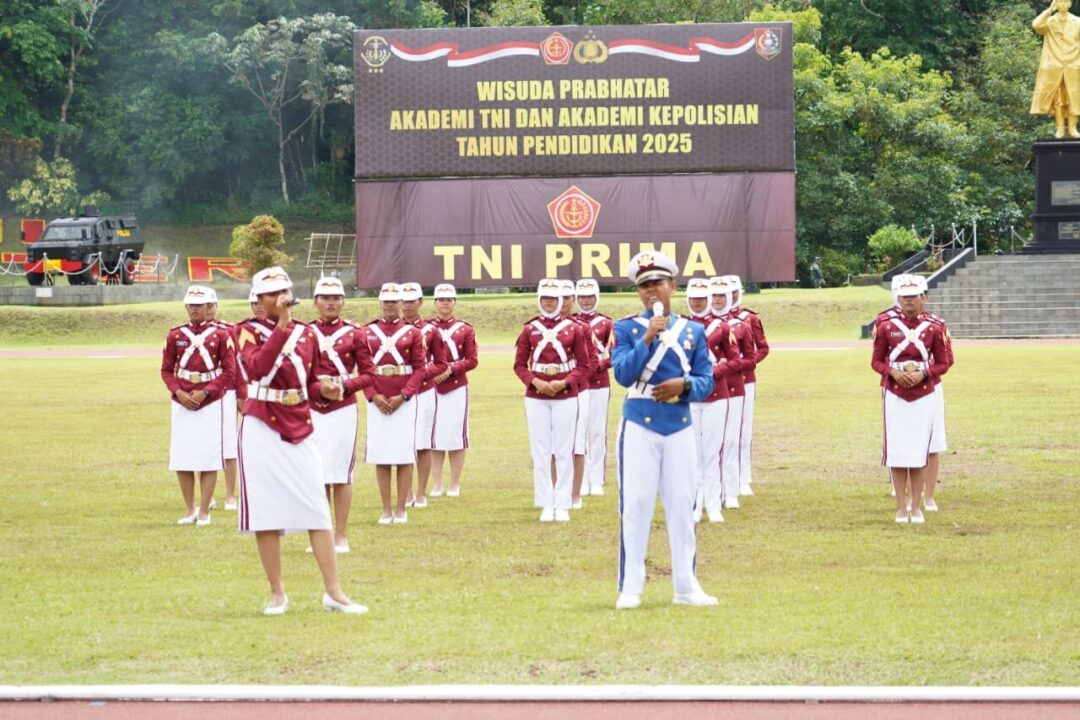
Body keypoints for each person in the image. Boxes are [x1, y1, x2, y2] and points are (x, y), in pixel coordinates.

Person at [237, 266, 367, 615]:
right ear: (259, 300)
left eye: (283, 292)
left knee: (316, 507)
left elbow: (309, 381)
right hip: (262, 424)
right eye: (270, 294)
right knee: (265, 513)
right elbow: (259, 369)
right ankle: (277, 593)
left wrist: (324, 389)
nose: (278, 299)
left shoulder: (307, 335)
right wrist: (280, 328)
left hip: (301, 423)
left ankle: (334, 592)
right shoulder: (246, 332)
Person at [611, 252, 718, 609]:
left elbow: (706, 380)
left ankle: (685, 586)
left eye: (657, 283)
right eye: (644, 286)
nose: (651, 291)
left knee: (682, 505)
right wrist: (646, 340)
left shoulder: (693, 331)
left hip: (679, 425)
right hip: (639, 422)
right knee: (636, 504)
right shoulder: (626, 329)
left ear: (673, 285)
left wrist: (683, 387)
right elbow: (623, 375)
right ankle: (631, 587)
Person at [871, 274, 950, 524]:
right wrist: (892, 372)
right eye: (904, 297)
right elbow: (876, 360)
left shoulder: (935, 326)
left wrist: (924, 374)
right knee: (897, 450)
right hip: (894, 391)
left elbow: (945, 361)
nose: (908, 301)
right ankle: (900, 507)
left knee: (919, 450)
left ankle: (918, 505)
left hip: (925, 391)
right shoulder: (885, 324)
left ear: (923, 298)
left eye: (913, 296)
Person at [308, 277, 376, 553]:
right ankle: (320, 534)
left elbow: (369, 374)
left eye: (336, 298)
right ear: (315, 302)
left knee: (340, 473)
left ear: (343, 302)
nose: (331, 303)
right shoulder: (304, 333)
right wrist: (318, 389)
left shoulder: (355, 333)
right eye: (325, 298)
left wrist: (344, 387)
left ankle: (341, 535)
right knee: (315, 472)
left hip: (343, 408)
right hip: (311, 406)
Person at [513, 278, 590, 522]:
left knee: (564, 449)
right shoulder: (529, 329)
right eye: (545, 299)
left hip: (565, 394)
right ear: (539, 300)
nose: (549, 303)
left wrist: (565, 382)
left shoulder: (575, 328)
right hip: (536, 395)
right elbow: (519, 365)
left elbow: (585, 365)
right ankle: (546, 502)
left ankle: (563, 502)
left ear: (560, 301)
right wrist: (534, 382)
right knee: (541, 450)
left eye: (553, 299)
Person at [161, 285, 235, 527]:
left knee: (208, 457)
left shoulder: (222, 335)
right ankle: (189, 508)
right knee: (182, 457)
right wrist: (178, 392)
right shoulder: (175, 335)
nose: (194, 309)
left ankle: (204, 510)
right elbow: (166, 369)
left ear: (209, 307)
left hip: (210, 401)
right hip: (182, 400)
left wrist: (206, 392)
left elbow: (229, 371)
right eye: (190, 305)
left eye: (199, 305)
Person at [362, 283, 425, 524]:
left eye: (394, 301)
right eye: (385, 301)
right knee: (381, 455)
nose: (390, 305)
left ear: (401, 303)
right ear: (379, 302)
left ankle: (401, 508)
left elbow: (420, 368)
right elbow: (362, 366)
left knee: (404, 453)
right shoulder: (366, 332)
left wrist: (405, 395)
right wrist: (372, 395)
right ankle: (386, 508)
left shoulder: (413, 332)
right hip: (377, 398)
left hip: (404, 400)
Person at [682, 277, 740, 524]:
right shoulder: (678, 326)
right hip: (689, 396)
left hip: (717, 395)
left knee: (713, 451)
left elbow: (735, 360)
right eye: (693, 299)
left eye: (701, 299)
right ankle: (695, 505)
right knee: (691, 453)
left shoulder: (722, 327)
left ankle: (714, 503)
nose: (697, 303)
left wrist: (713, 371)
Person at [400, 281, 448, 508]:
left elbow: (441, 364)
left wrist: (420, 374)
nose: (407, 305)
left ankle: (421, 492)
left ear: (420, 302)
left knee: (423, 442)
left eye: (412, 301)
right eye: (404, 301)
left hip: (425, 391)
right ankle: (406, 491)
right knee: (404, 442)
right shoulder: (392, 329)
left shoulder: (431, 331)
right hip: (400, 393)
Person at [710, 277, 755, 509]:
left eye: (722, 296)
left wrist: (724, 366)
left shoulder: (742, 324)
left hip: (736, 386)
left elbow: (751, 357)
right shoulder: (698, 325)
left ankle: (732, 487)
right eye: (714, 296)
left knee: (732, 438)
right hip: (708, 389)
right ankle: (712, 490)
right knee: (710, 442)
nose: (717, 300)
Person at [429, 283, 478, 498]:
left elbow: (472, 359)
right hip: (431, 386)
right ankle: (437, 483)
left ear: (455, 302)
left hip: (456, 385)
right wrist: (433, 373)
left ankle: (454, 483)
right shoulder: (427, 328)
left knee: (457, 436)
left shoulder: (465, 329)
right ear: (435, 303)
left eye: (449, 299)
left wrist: (450, 370)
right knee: (434, 436)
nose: (445, 303)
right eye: (441, 299)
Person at [723, 275, 769, 497]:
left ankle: (743, 477)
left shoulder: (749, 319)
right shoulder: (715, 320)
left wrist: (742, 363)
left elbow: (762, 348)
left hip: (744, 378)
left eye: (734, 292)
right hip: (719, 379)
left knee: (743, 428)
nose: (730, 297)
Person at [574, 278, 613, 497]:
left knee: (598, 431)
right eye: (582, 297)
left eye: (590, 297)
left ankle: (597, 477)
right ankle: (583, 476)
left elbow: (615, 354)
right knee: (580, 431)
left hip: (599, 382)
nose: (586, 301)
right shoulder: (571, 322)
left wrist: (598, 365)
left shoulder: (606, 323)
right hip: (578, 385)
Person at [558, 278, 594, 510]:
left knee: (576, 442)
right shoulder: (536, 328)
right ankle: (551, 491)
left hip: (577, 391)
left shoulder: (581, 328)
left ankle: (575, 493)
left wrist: (566, 381)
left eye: (567, 297)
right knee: (552, 445)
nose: (562, 303)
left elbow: (588, 363)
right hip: (546, 393)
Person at [207, 294, 240, 511]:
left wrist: (241, 394)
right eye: (202, 305)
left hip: (227, 391)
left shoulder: (229, 330)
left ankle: (230, 494)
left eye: (211, 305)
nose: (207, 309)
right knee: (204, 444)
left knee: (229, 445)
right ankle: (206, 496)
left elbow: (237, 365)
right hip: (202, 392)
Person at [1031, 0, 1080, 138]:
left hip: (1074, 64)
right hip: (1054, 65)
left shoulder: (1078, 22)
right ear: (1055, 4)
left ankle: (1072, 128)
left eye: (1066, 1)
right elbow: (1035, 25)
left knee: (1074, 96)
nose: (1063, 4)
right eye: (1059, 1)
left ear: (1070, 4)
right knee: (1058, 98)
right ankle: (1059, 128)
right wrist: (1049, 11)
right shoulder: (1049, 21)